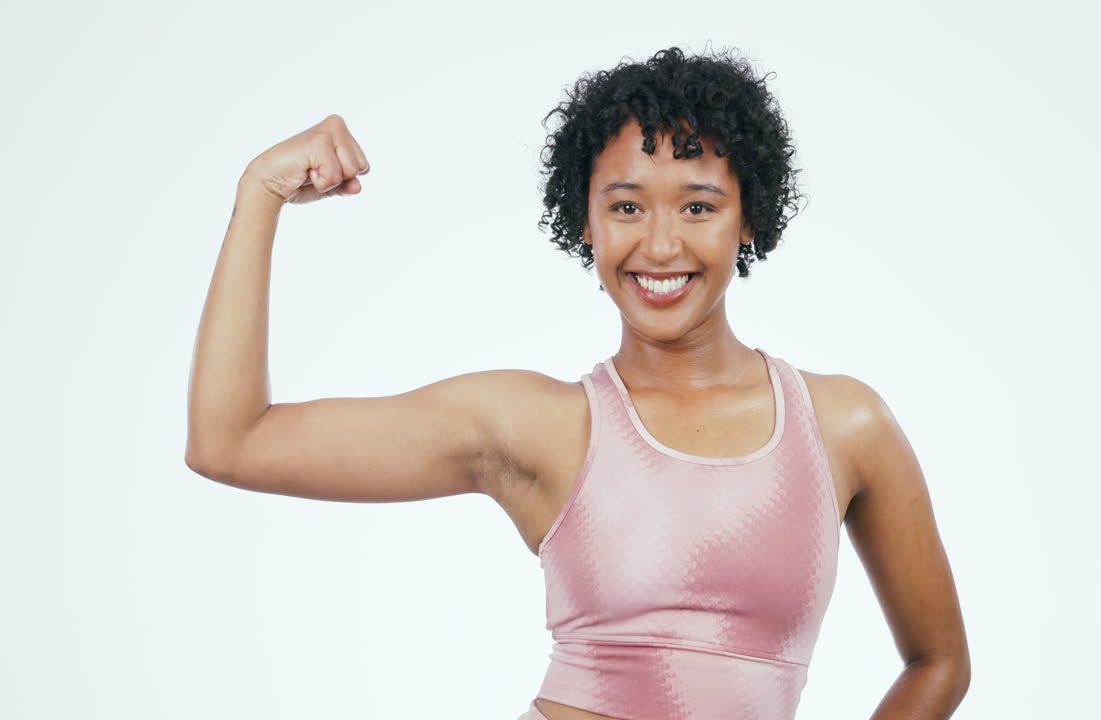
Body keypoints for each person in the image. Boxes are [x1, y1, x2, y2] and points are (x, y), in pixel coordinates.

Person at [185, 45, 970, 720]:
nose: (660, 245)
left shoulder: (844, 425)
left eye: (699, 206)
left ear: (748, 217)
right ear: (586, 221)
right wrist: (261, 193)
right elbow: (231, 441)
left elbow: (938, 663)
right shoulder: (542, 427)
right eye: (626, 206)